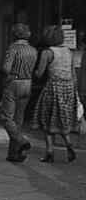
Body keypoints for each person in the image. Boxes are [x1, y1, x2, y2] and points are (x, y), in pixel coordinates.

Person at [31, 25, 78, 163]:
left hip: (53, 87)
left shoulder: (47, 52)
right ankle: (69, 144)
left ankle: (50, 151)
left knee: (47, 118)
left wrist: (31, 71)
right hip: (68, 88)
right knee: (62, 119)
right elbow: (73, 74)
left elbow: (39, 74)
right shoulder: (69, 52)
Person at [0, 23, 37, 163]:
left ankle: (21, 141)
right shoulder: (33, 50)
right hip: (28, 83)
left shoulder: (13, 48)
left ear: (15, 34)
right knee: (18, 119)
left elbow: (7, 69)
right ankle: (14, 154)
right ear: (28, 34)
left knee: (6, 118)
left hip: (14, 83)